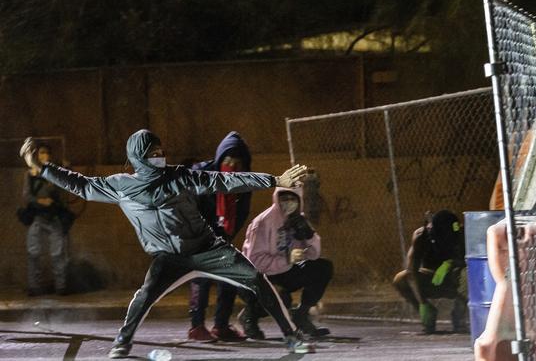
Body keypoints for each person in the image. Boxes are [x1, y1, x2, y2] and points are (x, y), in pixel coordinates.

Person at [19, 130, 314, 358]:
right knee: (146, 294)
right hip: (168, 257)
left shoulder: (179, 176)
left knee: (255, 279)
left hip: (207, 248)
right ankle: (123, 341)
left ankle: (291, 334)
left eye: (161, 150)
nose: (159, 155)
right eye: (152, 152)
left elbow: (222, 181)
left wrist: (274, 179)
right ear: (138, 156)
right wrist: (44, 168)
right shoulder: (120, 186)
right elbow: (80, 185)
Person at [239, 186, 333, 339]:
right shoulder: (263, 221)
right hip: (256, 278)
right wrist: (288, 259)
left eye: (292, 199)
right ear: (277, 199)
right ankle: (249, 315)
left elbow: (314, 255)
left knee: (322, 268)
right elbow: (254, 262)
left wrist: (309, 236)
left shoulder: (298, 219)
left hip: (283, 270)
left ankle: (301, 315)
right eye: (284, 198)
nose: (288, 203)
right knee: (282, 299)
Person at [187, 131, 252, 342]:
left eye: (236, 161)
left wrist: (225, 236)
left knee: (231, 274)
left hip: (222, 236)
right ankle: (197, 326)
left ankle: (221, 326)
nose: (231, 164)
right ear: (219, 159)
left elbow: (241, 213)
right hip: (197, 236)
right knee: (201, 276)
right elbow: (189, 208)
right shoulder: (202, 176)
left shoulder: (244, 183)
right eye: (227, 159)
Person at [392, 209, 468, 334]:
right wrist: (422, 303)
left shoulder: (462, 233)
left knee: (467, 274)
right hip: (432, 278)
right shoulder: (421, 236)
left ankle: (459, 317)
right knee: (401, 279)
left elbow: (476, 264)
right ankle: (429, 315)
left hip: (455, 279)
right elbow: (411, 272)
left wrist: (452, 263)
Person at [21, 143, 70, 296]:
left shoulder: (54, 172)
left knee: (57, 253)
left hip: (53, 217)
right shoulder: (30, 174)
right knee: (33, 253)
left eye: (47, 153)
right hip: (37, 217)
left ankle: (61, 287)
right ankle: (34, 287)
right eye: (42, 153)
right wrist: (39, 201)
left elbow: (61, 193)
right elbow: (27, 195)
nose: (45, 156)